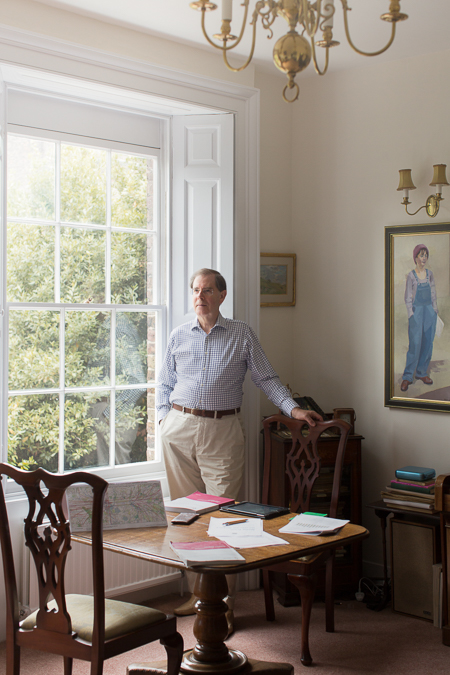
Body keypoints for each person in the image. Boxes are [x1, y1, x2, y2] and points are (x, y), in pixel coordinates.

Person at [156, 267, 322, 634]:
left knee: (221, 518)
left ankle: (223, 605)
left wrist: (293, 408)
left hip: (222, 431)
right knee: (186, 517)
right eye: (196, 290)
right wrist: (164, 421)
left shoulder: (241, 334)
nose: (200, 296)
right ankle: (196, 594)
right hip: (179, 430)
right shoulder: (178, 335)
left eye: (208, 290)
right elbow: (164, 384)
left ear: (222, 295)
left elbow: (266, 378)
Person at [401, 245, 438, 392]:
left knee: (428, 342)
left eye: (425, 255)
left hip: (429, 311)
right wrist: (411, 313)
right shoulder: (411, 275)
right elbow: (408, 297)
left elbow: (434, 293)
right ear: (415, 257)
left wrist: (434, 310)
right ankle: (408, 376)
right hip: (416, 312)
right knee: (415, 344)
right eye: (421, 255)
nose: (424, 258)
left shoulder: (430, 274)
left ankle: (422, 373)